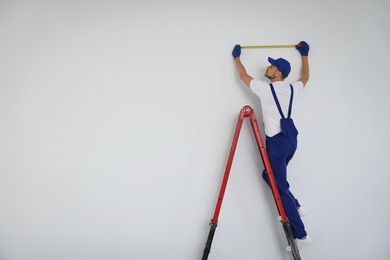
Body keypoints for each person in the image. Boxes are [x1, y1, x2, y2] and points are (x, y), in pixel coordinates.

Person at [232, 41, 313, 251]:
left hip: (277, 142)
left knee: (280, 187)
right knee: (268, 176)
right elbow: (305, 77)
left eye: (271, 66)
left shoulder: (265, 89)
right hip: (291, 140)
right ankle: (295, 205)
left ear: (278, 73)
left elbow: (243, 76)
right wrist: (305, 55)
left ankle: (302, 236)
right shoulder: (293, 88)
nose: (267, 68)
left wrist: (236, 58)